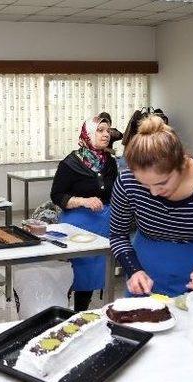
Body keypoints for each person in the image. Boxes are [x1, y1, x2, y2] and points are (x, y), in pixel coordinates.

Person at [110, 115, 193, 297]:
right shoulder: (127, 182)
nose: (154, 193)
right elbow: (118, 235)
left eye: (162, 183)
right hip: (145, 268)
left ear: (182, 163)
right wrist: (134, 270)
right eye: (144, 185)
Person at [50, 116, 117, 311]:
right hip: (78, 223)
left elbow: (114, 191)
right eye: (100, 130)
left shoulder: (109, 162)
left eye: (108, 131)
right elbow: (57, 196)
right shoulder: (70, 163)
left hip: (104, 222)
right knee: (81, 270)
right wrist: (84, 201)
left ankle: (91, 311)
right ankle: (77, 312)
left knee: (99, 269)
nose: (106, 134)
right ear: (87, 134)